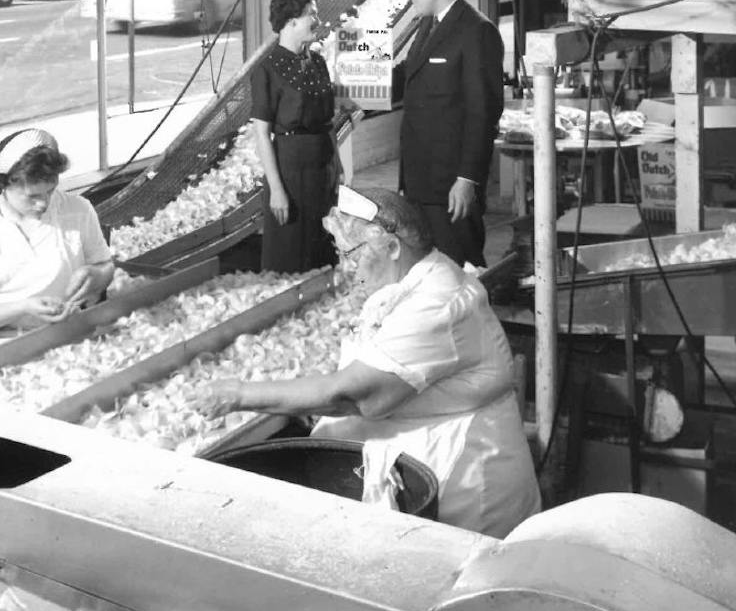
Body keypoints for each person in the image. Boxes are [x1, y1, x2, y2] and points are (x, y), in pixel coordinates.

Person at [191, 186, 540, 537]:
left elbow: (359, 397)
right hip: (432, 462)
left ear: (391, 248)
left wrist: (237, 394)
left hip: (466, 487)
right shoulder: (415, 280)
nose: (347, 268)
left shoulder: (436, 303)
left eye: (353, 255)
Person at [0, 127, 117, 364]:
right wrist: (23, 308)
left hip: (60, 344)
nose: (43, 203)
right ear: (2, 186)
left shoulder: (78, 210)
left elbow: (105, 266)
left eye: (50, 191)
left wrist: (96, 275)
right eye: (32, 196)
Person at [398, 0, 505, 267]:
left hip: (450, 184)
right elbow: (411, 78)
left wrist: (467, 179)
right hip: (420, 179)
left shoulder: (476, 31)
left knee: (462, 268)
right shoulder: (427, 25)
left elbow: (482, 113)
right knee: (430, 273)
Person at [249, 0, 341, 272]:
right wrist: (276, 190)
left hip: (322, 168)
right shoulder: (267, 69)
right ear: (290, 22)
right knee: (291, 254)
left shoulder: (317, 62)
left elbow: (326, 122)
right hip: (291, 171)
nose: (317, 20)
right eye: (311, 14)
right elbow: (262, 134)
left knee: (324, 247)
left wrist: (336, 168)